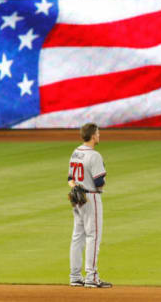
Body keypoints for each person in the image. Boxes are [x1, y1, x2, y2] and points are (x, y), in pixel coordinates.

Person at [67, 123, 112, 288]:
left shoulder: (76, 152)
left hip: (77, 197)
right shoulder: (94, 155)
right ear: (93, 136)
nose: (99, 136)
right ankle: (91, 277)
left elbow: (70, 179)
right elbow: (99, 182)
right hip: (91, 198)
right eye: (98, 133)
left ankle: (75, 276)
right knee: (93, 236)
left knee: (77, 236)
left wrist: (76, 187)